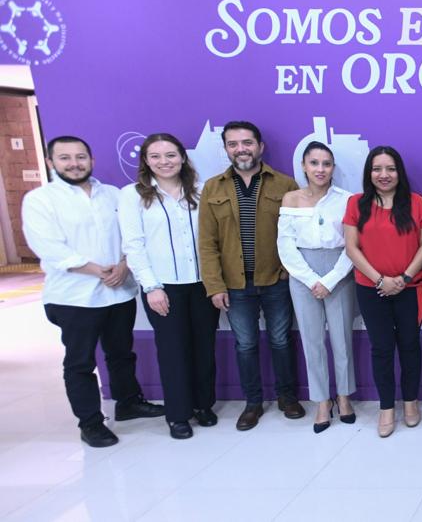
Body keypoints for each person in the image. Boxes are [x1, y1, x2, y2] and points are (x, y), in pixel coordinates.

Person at [23, 136, 164, 447]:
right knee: (80, 362)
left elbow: (133, 234)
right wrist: (97, 270)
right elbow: (48, 247)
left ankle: (128, 402)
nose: (74, 163)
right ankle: (90, 422)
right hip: (74, 297)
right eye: (65, 158)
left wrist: (124, 266)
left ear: (92, 160)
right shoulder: (40, 200)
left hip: (120, 291)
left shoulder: (113, 195)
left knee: (121, 353)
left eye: (80, 157)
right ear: (51, 163)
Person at [198, 121, 303, 431]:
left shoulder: (284, 184)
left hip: (275, 280)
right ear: (227, 149)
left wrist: (287, 271)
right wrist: (214, 285)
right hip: (234, 283)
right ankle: (253, 402)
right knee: (245, 344)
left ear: (260, 146)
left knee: (281, 340)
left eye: (247, 142)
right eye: (233, 144)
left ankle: (287, 397)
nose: (241, 149)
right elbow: (206, 242)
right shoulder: (212, 187)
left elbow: (296, 233)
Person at [118, 133, 220, 440]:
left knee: (204, 347)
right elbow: (133, 246)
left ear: (183, 158)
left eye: (171, 155)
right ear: (146, 161)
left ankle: (203, 405)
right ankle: (178, 414)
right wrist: (151, 287)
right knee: (173, 351)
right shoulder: (132, 195)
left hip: (203, 284)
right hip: (164, 287)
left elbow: (213, 238)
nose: (165, 162)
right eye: (156, 156)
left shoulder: (201, 191)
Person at [344, 146, 422, 438]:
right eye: (377, 169)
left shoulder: (416, 202)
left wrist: (404, 277)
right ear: (369, 173)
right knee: (381, 348)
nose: (384, 175)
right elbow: (352, 248)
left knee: (410, 346)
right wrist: (381, 279)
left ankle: (410, 402)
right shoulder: (357, 204)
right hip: (372, 289)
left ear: (399, 172)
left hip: (409, 287)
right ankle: (385, 407)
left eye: (390, 169)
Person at [278, 141, 357, 434]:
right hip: (302, 273)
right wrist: (311, 279)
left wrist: (330, 280)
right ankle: (322, 401)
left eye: (326, 164)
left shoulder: (347, 199)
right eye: (314, 163)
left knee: (341, 339)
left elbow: (352, 246)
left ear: (333, 167)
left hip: (339, 270)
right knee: (311, 341)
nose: (320, 169)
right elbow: (285, 245)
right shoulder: (291, 199)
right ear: (304, 166)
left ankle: (344, 397)